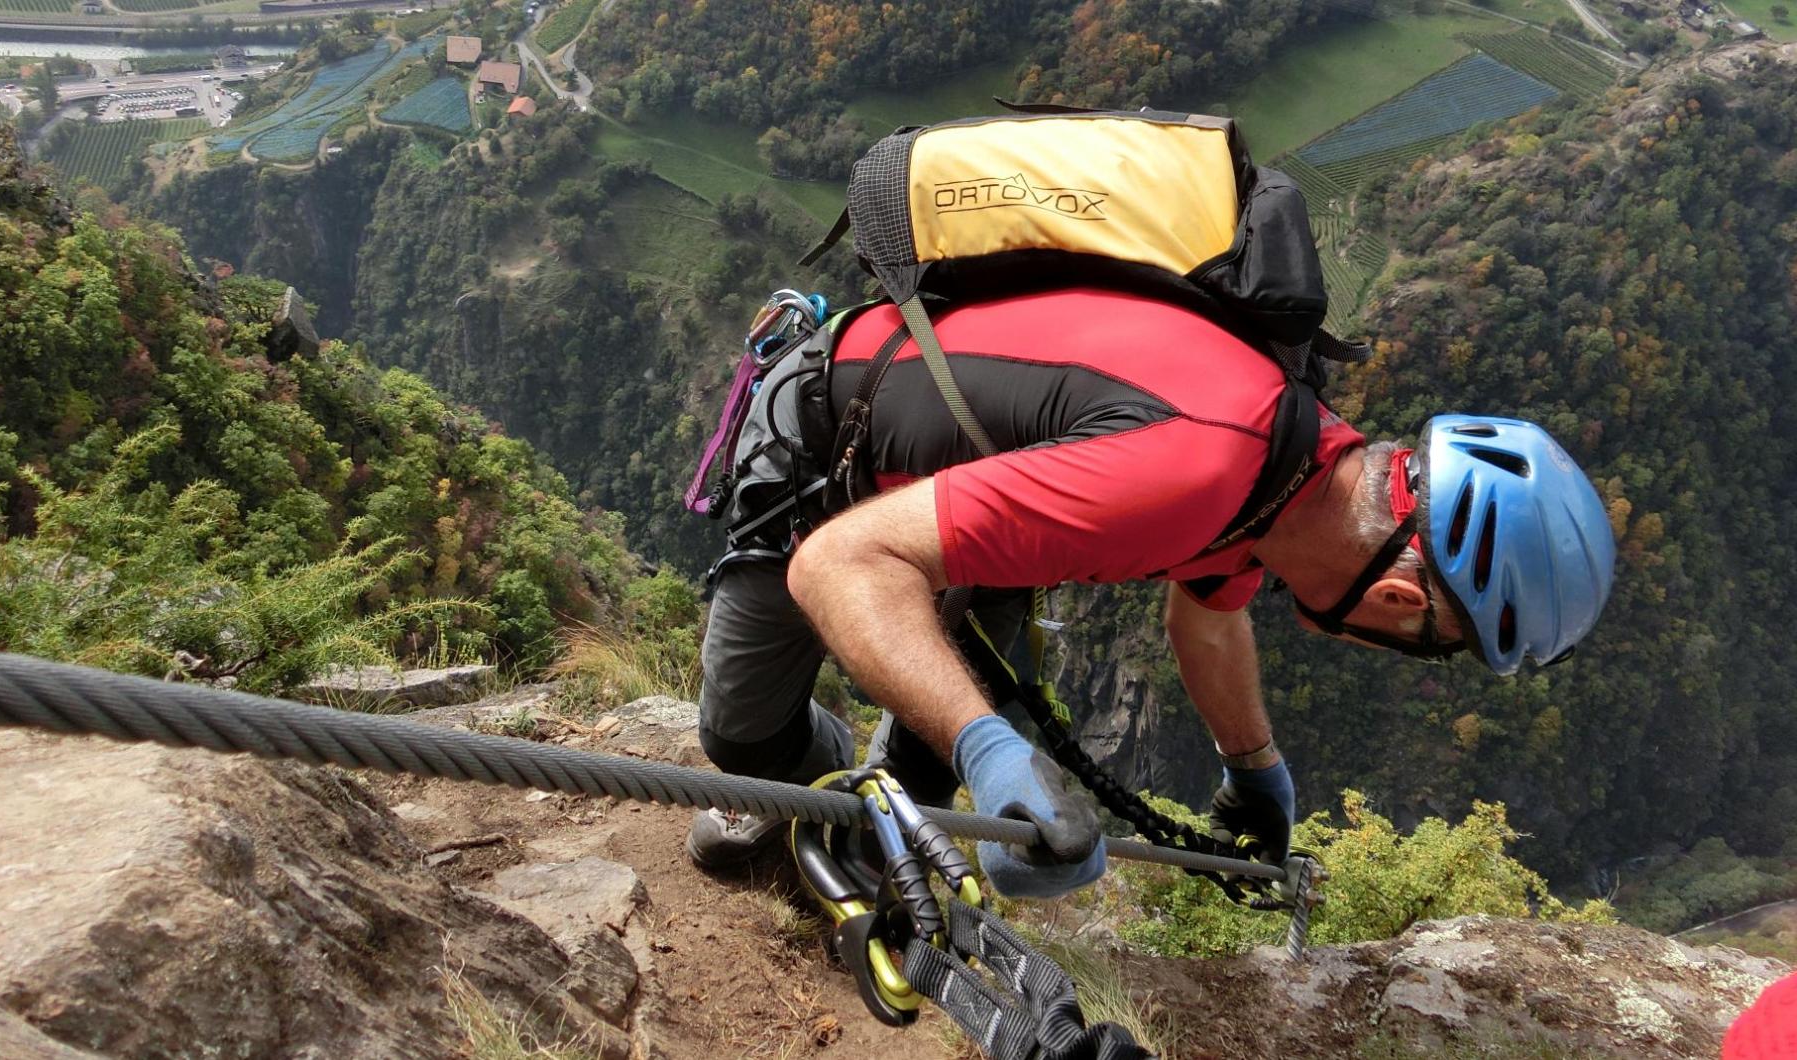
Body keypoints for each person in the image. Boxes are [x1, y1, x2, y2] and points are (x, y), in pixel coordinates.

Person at [687, 287, 1616, 898]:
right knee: (743, 735)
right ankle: (797, 776)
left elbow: (1208, 615)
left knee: (933, 764)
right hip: (829, 455)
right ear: (1400, 603)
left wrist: (1253, 772)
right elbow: (838, 565)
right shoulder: (1194, 471)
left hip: (992, 499)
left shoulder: (1292, 474)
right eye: (1434, 645)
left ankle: (862, 843)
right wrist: (992, 752)